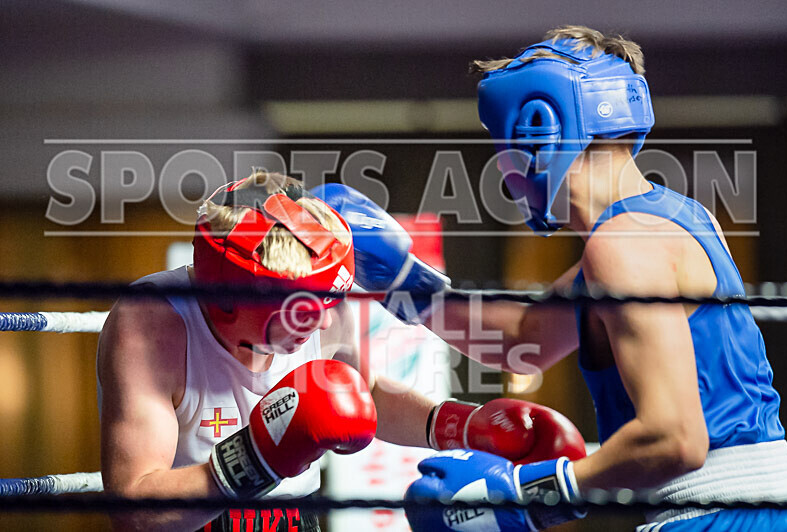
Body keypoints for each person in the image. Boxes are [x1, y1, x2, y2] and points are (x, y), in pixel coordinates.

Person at [316, 26, 787, 531]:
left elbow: (676, 438)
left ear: (537, 129)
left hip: (717, 516)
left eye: (499, 143)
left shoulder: (621, 244)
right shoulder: (675, 220)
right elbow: (523, 336)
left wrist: (524, 496)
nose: (502, 168)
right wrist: (402, 278)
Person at [97, 171, 585, 532]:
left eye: (331, 304)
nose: (326, 322)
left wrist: (461, 426)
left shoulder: (322, 292)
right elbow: (134, 509)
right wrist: (259, 456)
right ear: (230, 301)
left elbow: (362, 393)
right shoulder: (152, 326)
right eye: (307, 312)